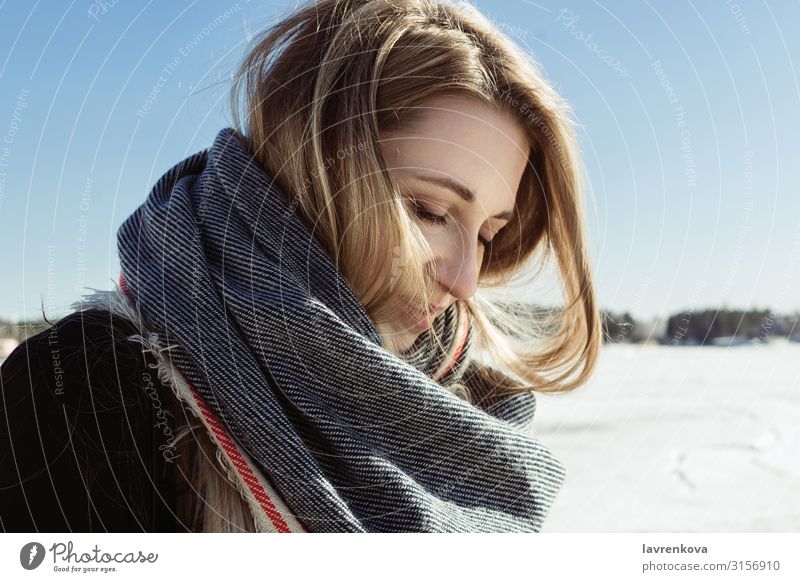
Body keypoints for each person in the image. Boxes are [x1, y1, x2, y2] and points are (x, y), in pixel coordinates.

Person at [0, 0, 600, 533]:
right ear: (313, 166)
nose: (465, 279)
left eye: (488, 235)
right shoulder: (90, 393)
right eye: (429, 209)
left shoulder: (468, 419)